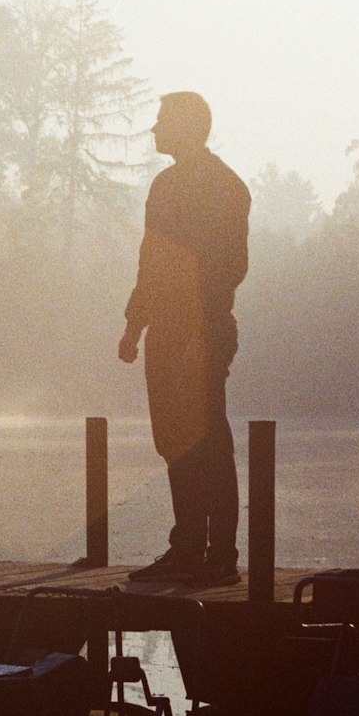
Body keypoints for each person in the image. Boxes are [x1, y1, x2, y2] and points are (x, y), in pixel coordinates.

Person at [119, 92, 251, 585]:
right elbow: (150, 262)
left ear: (189, 128)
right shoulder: (166, 185)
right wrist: (136, 324)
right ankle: (188, 547)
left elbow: (230, 267)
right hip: (167, 331)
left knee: (209, 441)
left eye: (162, 122)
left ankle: (220, 556)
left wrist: (197, 326)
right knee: (175, 441)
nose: (154, 130)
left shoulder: (224, 186)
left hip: (204, 330)